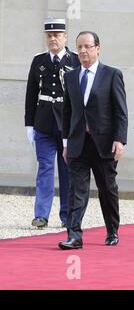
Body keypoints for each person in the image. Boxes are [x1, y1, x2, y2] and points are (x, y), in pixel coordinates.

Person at [58, 31, 128, 250]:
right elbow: (67, 112)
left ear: (98, 48)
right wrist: (66, 143)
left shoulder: (112, 74)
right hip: (78, 143)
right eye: (79, 47)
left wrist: (120, 139)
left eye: (87, 46)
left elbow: (120, 111)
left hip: (104, 143)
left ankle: (112, 230)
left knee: (107, 188)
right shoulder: (70, 76)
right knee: (76, 190)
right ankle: (75, 236)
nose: (83, 51)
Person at [24, 18, 80, 229]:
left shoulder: (74, 61)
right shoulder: (38, 61)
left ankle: (66, 215)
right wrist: (29, 125)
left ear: (65, 37)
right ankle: (41, 215)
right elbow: (31, 95)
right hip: (44, 124)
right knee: (45, 169)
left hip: (67, 126)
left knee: (67, 170)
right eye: (49, 35)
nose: (53, 38)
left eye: (57, 35)